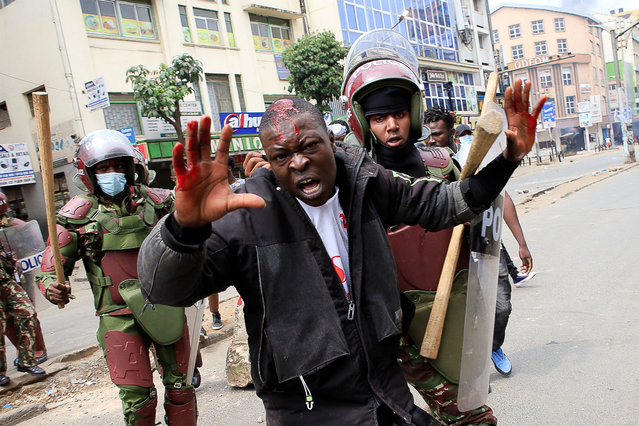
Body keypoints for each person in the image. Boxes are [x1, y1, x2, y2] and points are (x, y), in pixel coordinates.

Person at [139, 90, 539, 424]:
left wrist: (507, 159)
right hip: (308, 407)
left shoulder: (362, 179)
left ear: (331, 142)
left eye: (309, 146)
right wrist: (183, 228)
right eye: (282, 156)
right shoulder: (245, 214)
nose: (298, 162)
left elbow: (441, 204)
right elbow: (163, 289)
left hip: (383, 392)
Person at [38, 130, 197, 425]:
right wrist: (52, 287)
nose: (112, 173)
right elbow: (50, 268)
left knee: (181, 388)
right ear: (88, 174)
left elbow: (194, 237)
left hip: (164, 304)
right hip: (117, 315)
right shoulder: (75, 216)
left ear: (131, 167)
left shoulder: (160, 202)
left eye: (118, 166)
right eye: (102, 168)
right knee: (138, 399)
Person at [0, 200, 46, 385]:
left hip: (5, 281)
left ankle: (27, 361)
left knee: (27, 311)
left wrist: (11, 260)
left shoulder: (7, 226)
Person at [205, 157, 246, 332]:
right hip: (222, 244)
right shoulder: (212, 192)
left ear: (229, 168)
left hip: (245, 242)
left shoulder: (245, 185)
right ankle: (215, 313)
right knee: (212, 285)